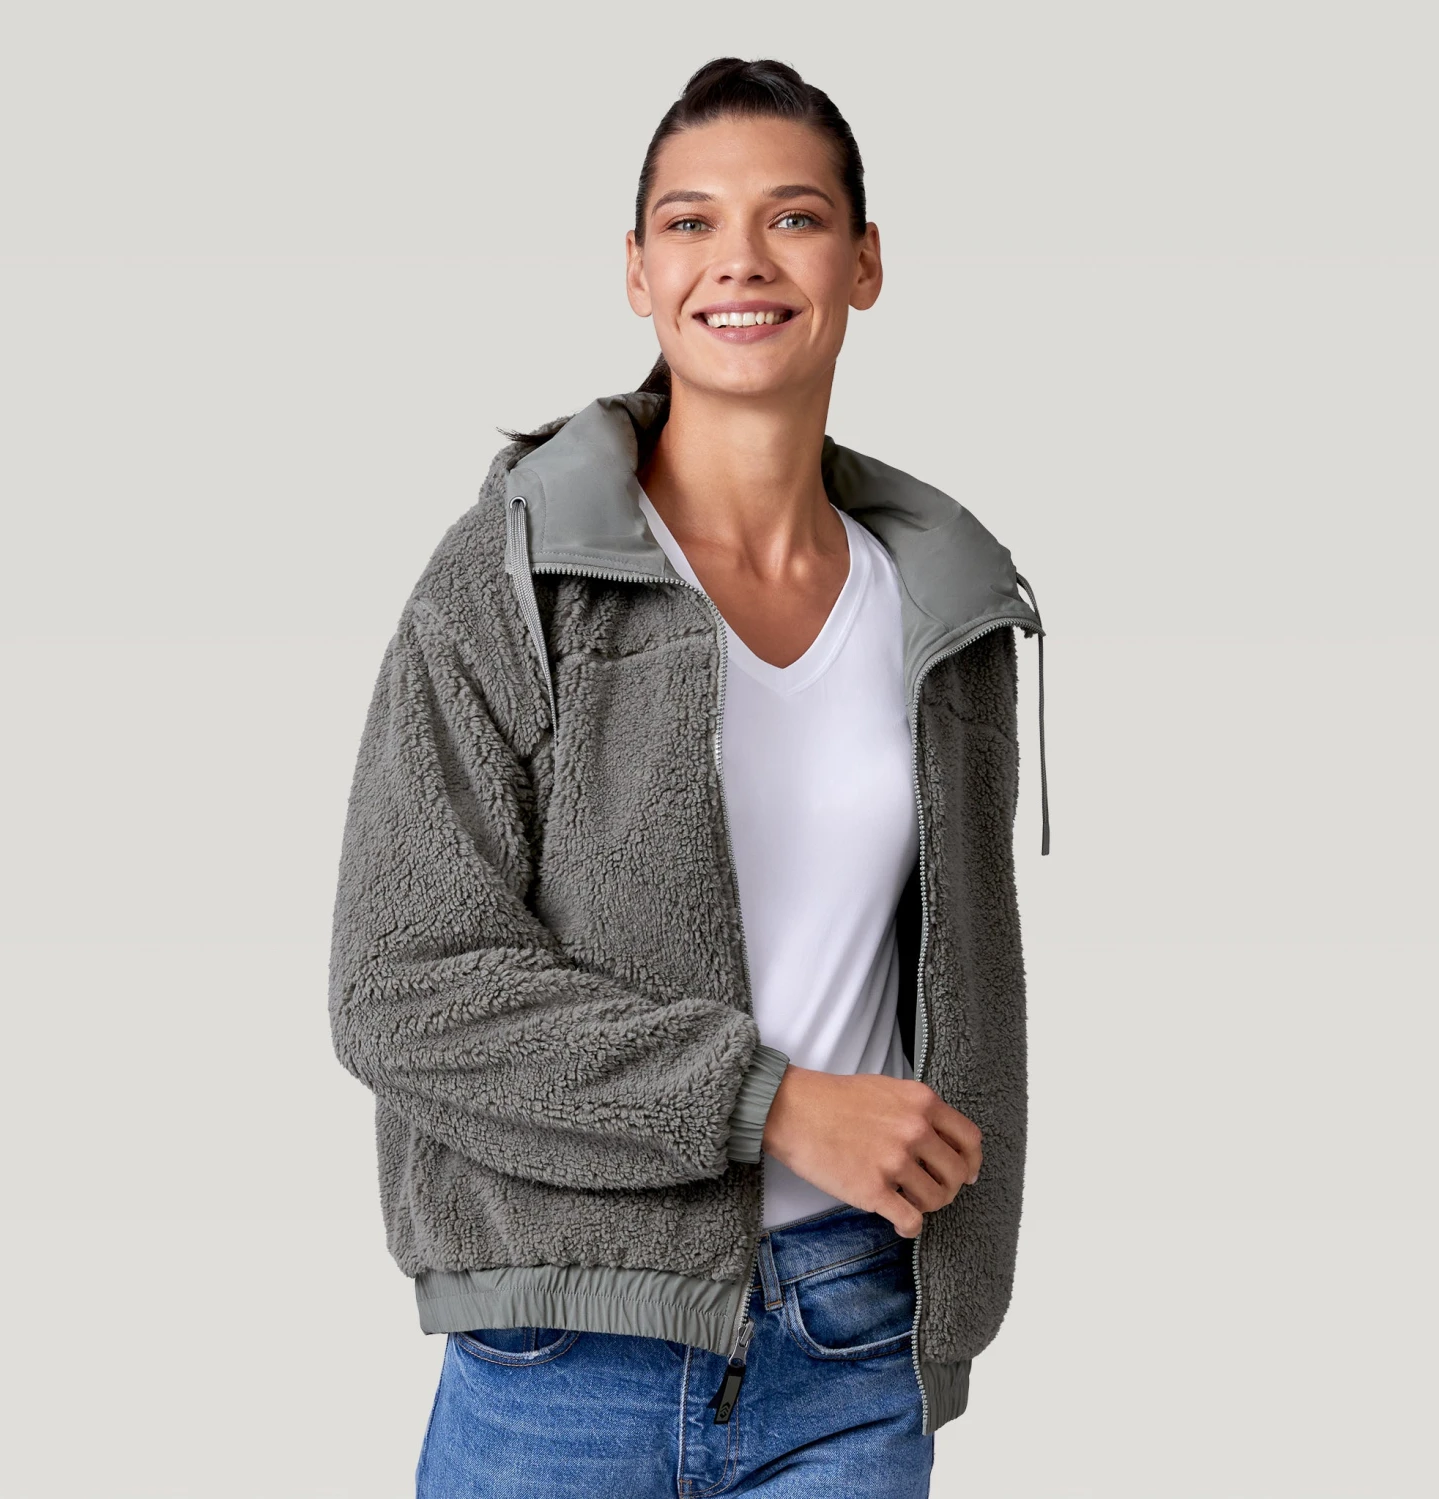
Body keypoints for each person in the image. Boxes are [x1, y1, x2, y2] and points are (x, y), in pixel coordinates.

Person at [328, 55, 1049, 1498]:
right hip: (562, 1352)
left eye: (793, 217)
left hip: (854, 1337)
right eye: (691, 222)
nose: (741, 259)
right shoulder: (516, 577)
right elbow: (398, 985)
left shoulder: (944, 606)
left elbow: (960, 978)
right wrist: (772, 1103)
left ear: (864, 262)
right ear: (639, 272)